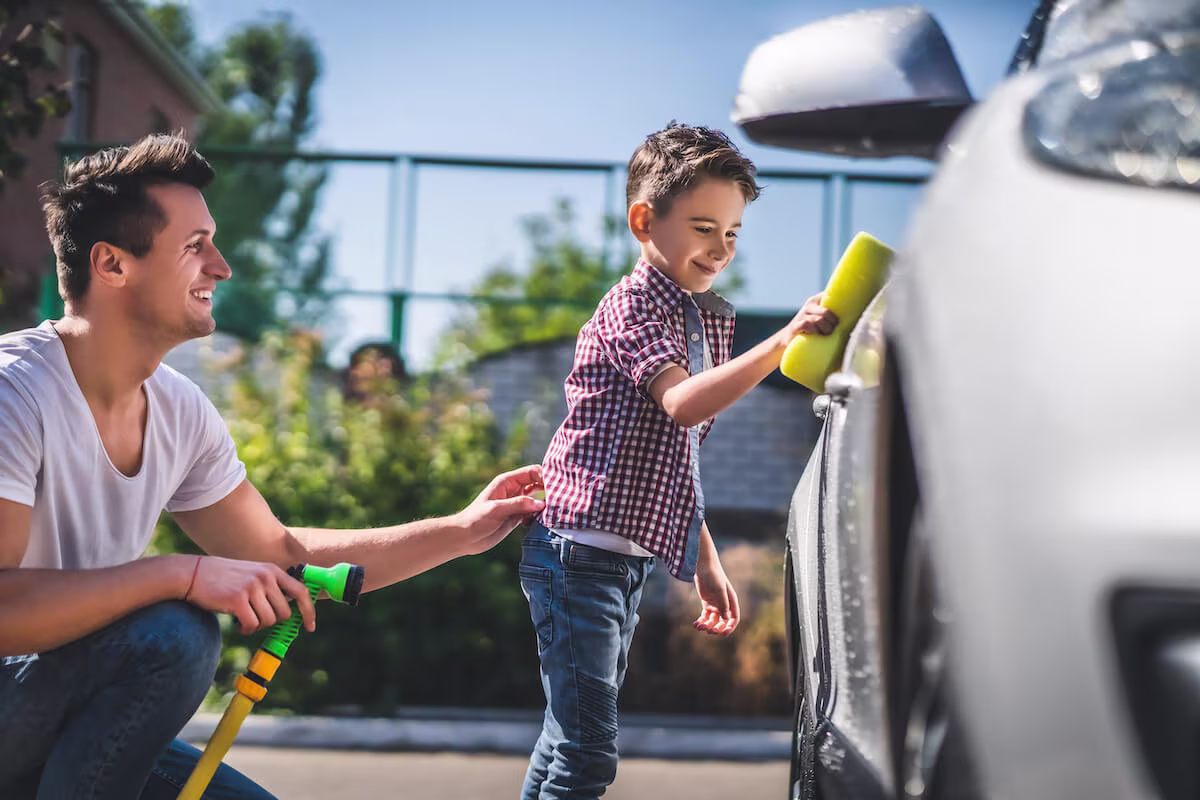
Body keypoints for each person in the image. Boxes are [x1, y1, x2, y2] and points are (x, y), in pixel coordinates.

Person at [0, 133, 545, 799]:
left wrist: (462, 530)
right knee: (177, 633)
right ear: (112, 265)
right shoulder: (14, 391)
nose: (221, 267)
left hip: (61, 719)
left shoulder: (179, 411)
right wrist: (180, 574)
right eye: (194, 246)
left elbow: (282, 555)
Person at [518, 122, 838, 799]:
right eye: (702, 227)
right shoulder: (633, 307)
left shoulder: (691, 316)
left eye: (731, 233)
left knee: (564, 735)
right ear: (645, 220)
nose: (720, 249)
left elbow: (673, 457)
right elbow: (684, 406)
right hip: (576, 560)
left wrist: (707, 560)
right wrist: (783, 340)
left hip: (613, 563)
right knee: (586, 754)